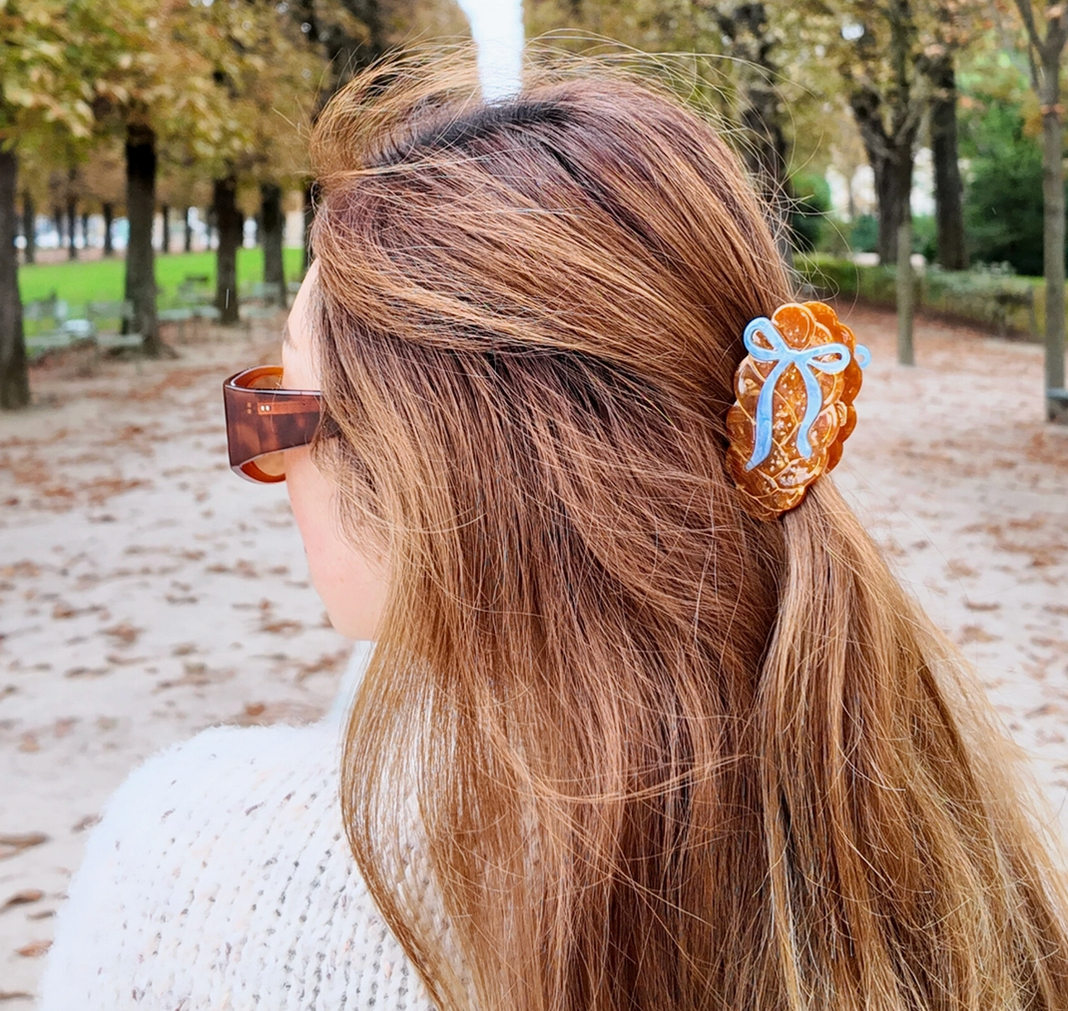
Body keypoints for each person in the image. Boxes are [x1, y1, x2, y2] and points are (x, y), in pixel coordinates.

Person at [40, 50, 1068, 1011]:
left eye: (279, 413)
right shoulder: (937, 811)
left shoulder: (195, 864)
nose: (268, 463)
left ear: (423, 464)